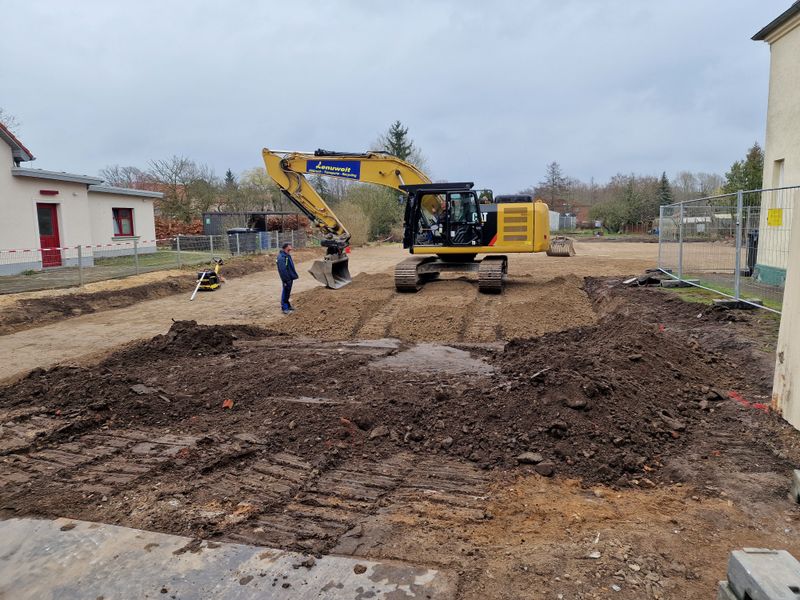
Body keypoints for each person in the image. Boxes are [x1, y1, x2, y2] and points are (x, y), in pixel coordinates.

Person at [277, 242, 298, 314]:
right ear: (286, 247)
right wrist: (286, 280)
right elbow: (282, 270)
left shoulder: (287, 255)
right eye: (290, 245)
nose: (291, 246)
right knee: (285, 292)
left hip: (290, 277)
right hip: (287, 279)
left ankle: (288, 306)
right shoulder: (281, 257)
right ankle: (284, 308)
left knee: (287, 293)